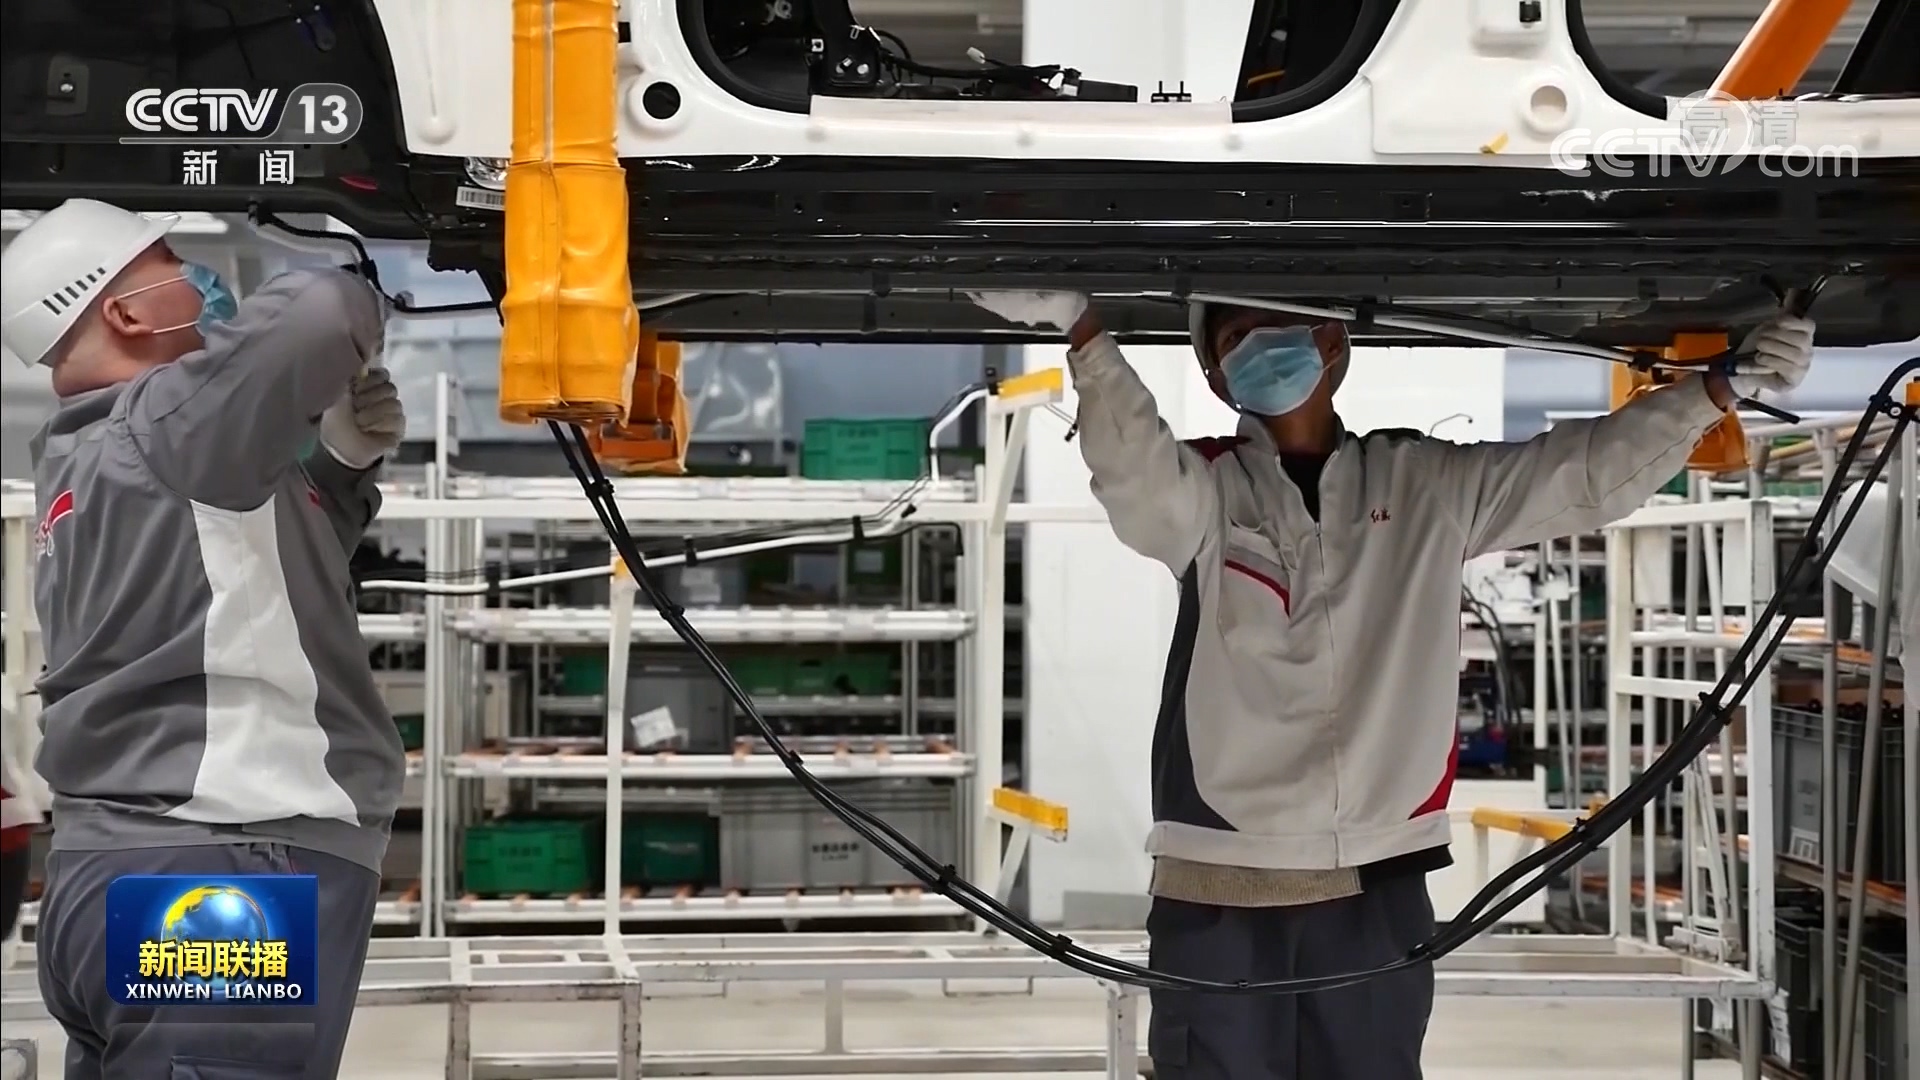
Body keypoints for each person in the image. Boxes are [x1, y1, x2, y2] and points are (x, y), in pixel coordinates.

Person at [968, 290, 1813, 1080]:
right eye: (1234, 339)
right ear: (1216, 377)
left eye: (1277, 328)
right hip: (1222, 881)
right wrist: (1084, 330)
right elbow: (1133, 474)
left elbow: (1581, 472)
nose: (1258, 349)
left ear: (1332, 342)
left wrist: (1717, 389)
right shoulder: (1207, 491)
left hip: (1376, 880)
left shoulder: (1424, 485)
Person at [0, 199, 409, 1080]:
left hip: (113, 864)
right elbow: (320, 312)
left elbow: (252, 585)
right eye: (174, 264)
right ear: (125, 312)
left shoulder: (81, 458)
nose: (200, 282)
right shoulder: (169, 424)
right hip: (221, 868)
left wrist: (339, 468)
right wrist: (374, 280)